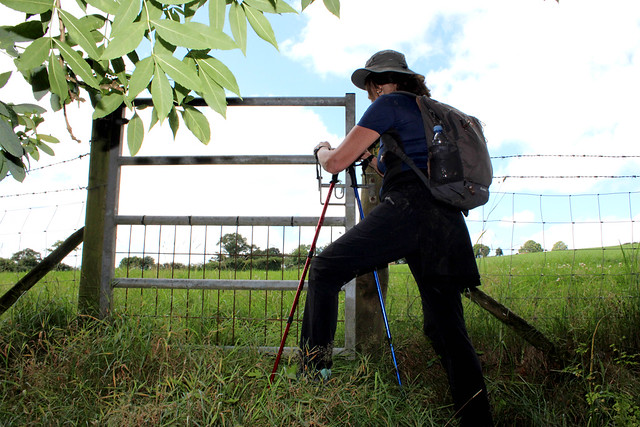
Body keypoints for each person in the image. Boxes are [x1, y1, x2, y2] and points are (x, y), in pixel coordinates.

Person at [299, 50, 493, 426]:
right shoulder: (426, 111)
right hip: (447, 220)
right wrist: (373, 157)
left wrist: (323, 149)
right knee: (446, 329)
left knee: (324, 270)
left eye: (372, 89)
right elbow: (394, 164)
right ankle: (477, 419)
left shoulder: (389, 104)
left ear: (384, 82)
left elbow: (337, 161)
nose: (372, 97)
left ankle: (313, 376)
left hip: (409, 209)